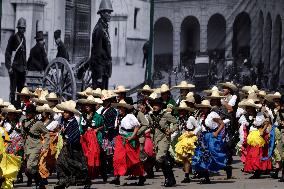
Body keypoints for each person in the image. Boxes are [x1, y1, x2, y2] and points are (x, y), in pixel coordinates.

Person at [55, 100, 91, 189]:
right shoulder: (65, 121)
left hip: (74, 147)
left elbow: (76, 135)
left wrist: (68, 140)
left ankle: (86, 180)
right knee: (60, 162)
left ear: (71, 113)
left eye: (66, 112)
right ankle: (62, 182)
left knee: (77, 165)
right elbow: (63, 131)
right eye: (64, 112)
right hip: (66, 147)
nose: (64, 113)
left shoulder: (74, 122)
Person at [110, 100, 146, 186]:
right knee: (117, 158)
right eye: (118, 107)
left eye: (121, 108)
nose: (119, 109)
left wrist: (133, 136)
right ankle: (117, 177)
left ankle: (141, 176)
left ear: (125, 108)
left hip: (129, 138)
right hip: (121, 138)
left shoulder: (130, 116)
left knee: (133, 159)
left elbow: (137, 126)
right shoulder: (118, 116)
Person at [192, 100, 227, 184]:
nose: (203, 109)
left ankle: (226, 168)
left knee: (214, 155)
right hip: (203, 137)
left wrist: (216, 132)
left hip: (211, 136)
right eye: (202, 107)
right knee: (203, 156)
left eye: (204, 107)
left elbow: (222, 124)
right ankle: (206, 177)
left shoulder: (212, 115)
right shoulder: (202, 116)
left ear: (208, 108)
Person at [148, 92, 178, 187]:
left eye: (157, 105)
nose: (155, 106)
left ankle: (168, 178)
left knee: (159, 158)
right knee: (164, 160)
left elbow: (176, 122)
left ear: (161, 106)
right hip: (156, 139)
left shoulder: (166, 115)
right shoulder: (151, 116)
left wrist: (171, 130)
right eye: (153, 105)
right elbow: (151, 128)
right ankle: (170, 178)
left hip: (164, 138)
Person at [78, 96, 107, 181]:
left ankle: (103, 173)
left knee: (98, 156)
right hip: (85, 139)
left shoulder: (98, 117)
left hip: (96, 139)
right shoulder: (82, 116)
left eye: (89, 105)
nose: (87, 106)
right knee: (86, 157)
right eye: (86, 104)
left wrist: (97, 129)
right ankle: (87, 174)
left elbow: (103, 127)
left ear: (92, 106)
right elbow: (80, 127)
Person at [241, 99, 272, 179]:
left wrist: (263, 130)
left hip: (258, 137)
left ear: (252, 108)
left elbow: (267, 121)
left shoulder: (259, 114)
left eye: (249, 108)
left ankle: (257, 172)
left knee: (256, 154)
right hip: (251, 136)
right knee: (251, 154)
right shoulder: (247, 116)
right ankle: (256, 171)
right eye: (247, 108)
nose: (247, 109)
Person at [90, 0, 113, 90]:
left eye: (110, 12)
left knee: (104, 97)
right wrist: (99, 75)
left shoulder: (104, 27)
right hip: (100, 70)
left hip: (105, 69)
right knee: (99, 98)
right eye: (108, 12)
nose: (110, 15)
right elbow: (96, 53)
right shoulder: (99, 29)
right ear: (102, 13)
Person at [5, 17, 27, 108]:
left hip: (22, 68)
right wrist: (9, 66)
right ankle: (12, 105)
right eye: (21, 28)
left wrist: (25, 66)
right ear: (18, 28)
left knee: (20, 89)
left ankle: (17, 107)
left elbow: (24, 54)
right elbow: (8, 52)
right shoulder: (13, 37)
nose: (22, 29)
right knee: (13, 89)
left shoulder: (23, 38)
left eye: (23, 28)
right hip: (14, 68)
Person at [174, 101, 197, 183]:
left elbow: (198, 127)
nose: (180, 112)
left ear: (186, 111)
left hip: (191, 139)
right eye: (179, 110)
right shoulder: (180, 120)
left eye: (182, 110)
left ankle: (187, 176)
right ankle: (188, 173)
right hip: (183, 140)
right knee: (184, 158)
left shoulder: (191, 118)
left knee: (187, 157)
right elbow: (178, 131)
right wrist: (172, 137)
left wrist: (193, 133)